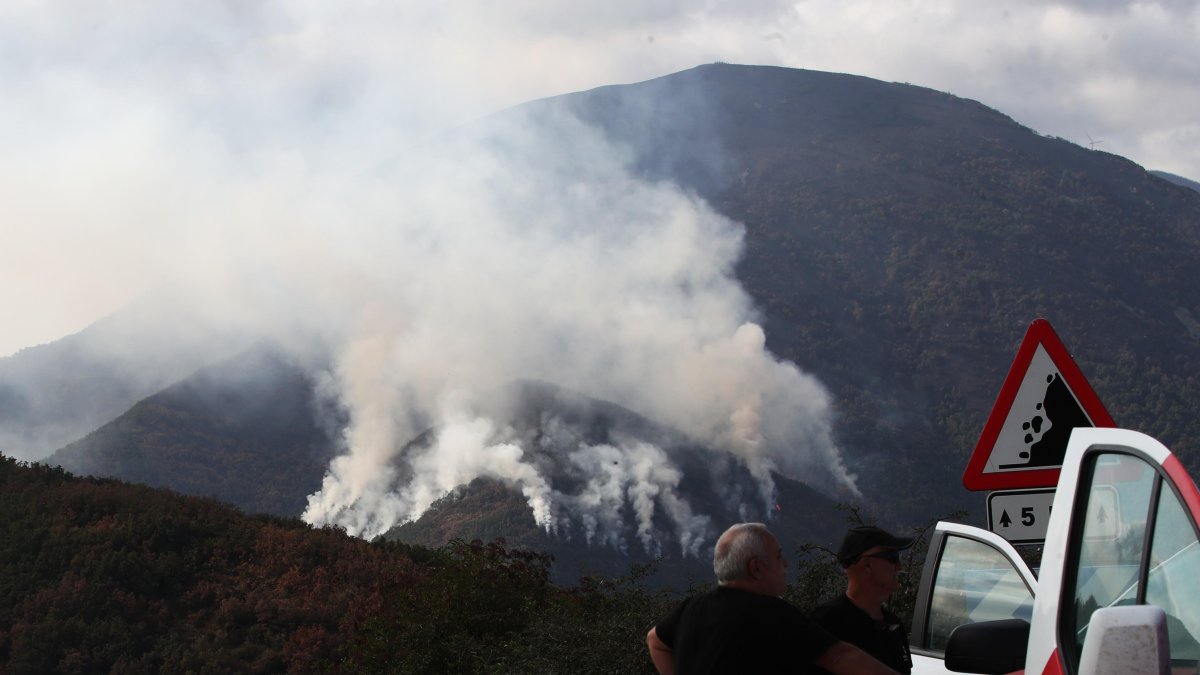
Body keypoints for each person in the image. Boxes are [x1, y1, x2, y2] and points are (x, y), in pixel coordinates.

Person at [646, 522, 899, 674]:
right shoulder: (770, 613)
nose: (786, 564)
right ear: (756, 568)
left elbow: (655, 640)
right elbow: (841, 657)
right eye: (778, 557)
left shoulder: (692, 607)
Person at [809, 525, 915, 675]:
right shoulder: (826, 622)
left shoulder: (894, 624)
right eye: (892, 557)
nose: (899, 566)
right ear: (867, 565)